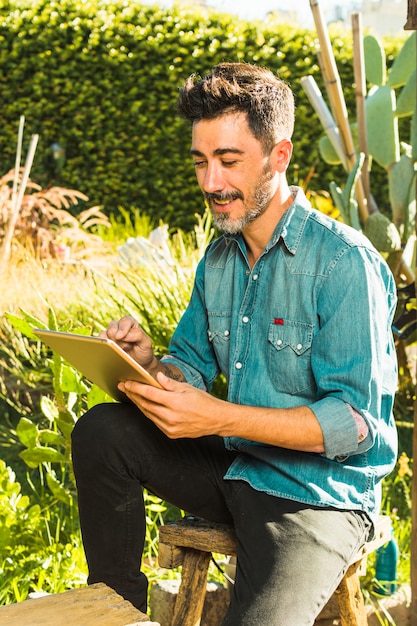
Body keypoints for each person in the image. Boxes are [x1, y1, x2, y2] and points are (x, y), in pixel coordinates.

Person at [71, 62, 398, 625]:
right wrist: (149, 365)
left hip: (318, 496)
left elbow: (355, 424)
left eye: (228, 161)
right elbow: (191, 366)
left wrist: (218, 416)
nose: (210, 183)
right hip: (237, 468)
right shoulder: (219, 259)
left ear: (279, 155)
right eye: (200, 161)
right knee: (102, 430)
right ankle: (116, 612)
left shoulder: (345, 264)